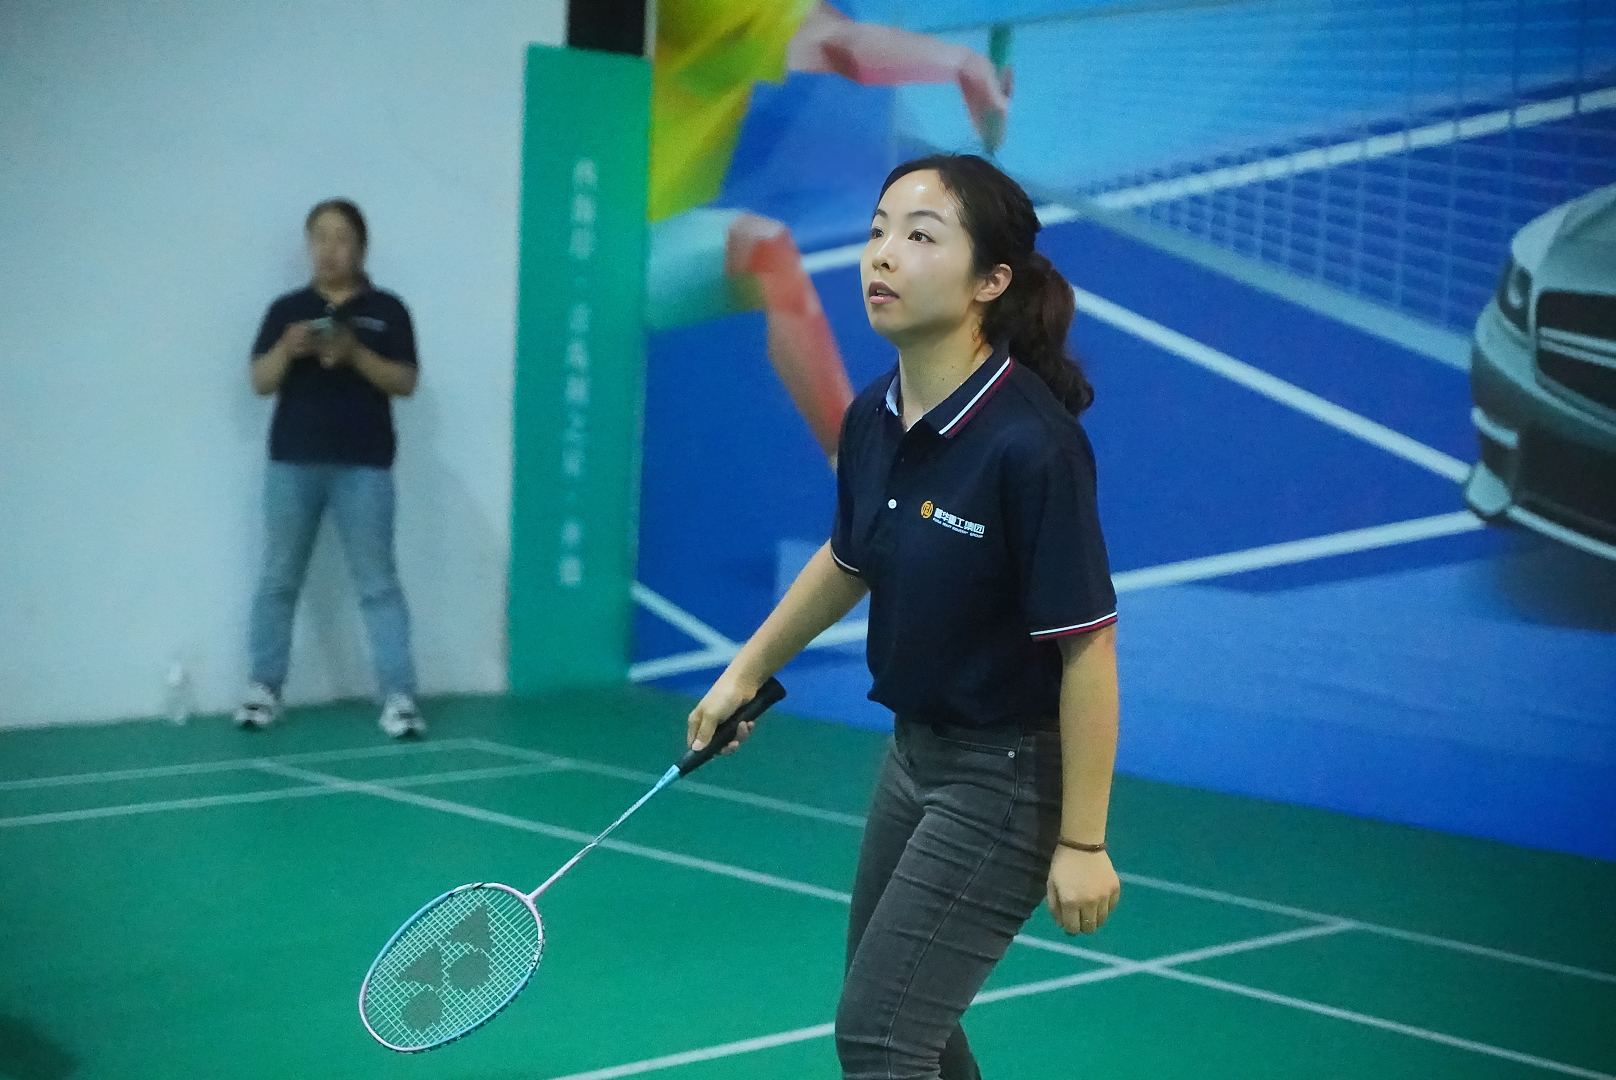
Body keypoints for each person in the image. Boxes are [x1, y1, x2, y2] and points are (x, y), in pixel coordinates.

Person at [686, 155, 1121, 1079]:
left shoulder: (1031, 446)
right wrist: (743, 674)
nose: (882, 254)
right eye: (879, 229)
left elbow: (1087, 650)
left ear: (989, 282)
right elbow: (851, 559)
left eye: (921, 236)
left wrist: (1084, 840)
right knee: (906, 1017)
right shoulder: (873, 416)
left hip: (1007, 777)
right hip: (913, 757)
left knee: (881, 1034)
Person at [649, 0, 1013, 463]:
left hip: (649, 222)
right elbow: (840, 48)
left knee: (767, 254)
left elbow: (828, 30)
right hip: (604, 233)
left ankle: (852, 465)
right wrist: (962, 65)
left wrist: (962, 65)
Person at [235, 199, 426, 739]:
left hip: (365, 467)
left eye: (341, 238)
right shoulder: (286, 310)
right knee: (278, 578)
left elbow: (406, 382)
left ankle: (399, 698)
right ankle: (263, 689)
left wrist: (355, 353)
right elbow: (260, 381)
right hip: (291, 463)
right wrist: (286, 349)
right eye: (319, 237)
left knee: (378, 584)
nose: (329, 249)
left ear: (361, 248)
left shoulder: (387, 310)